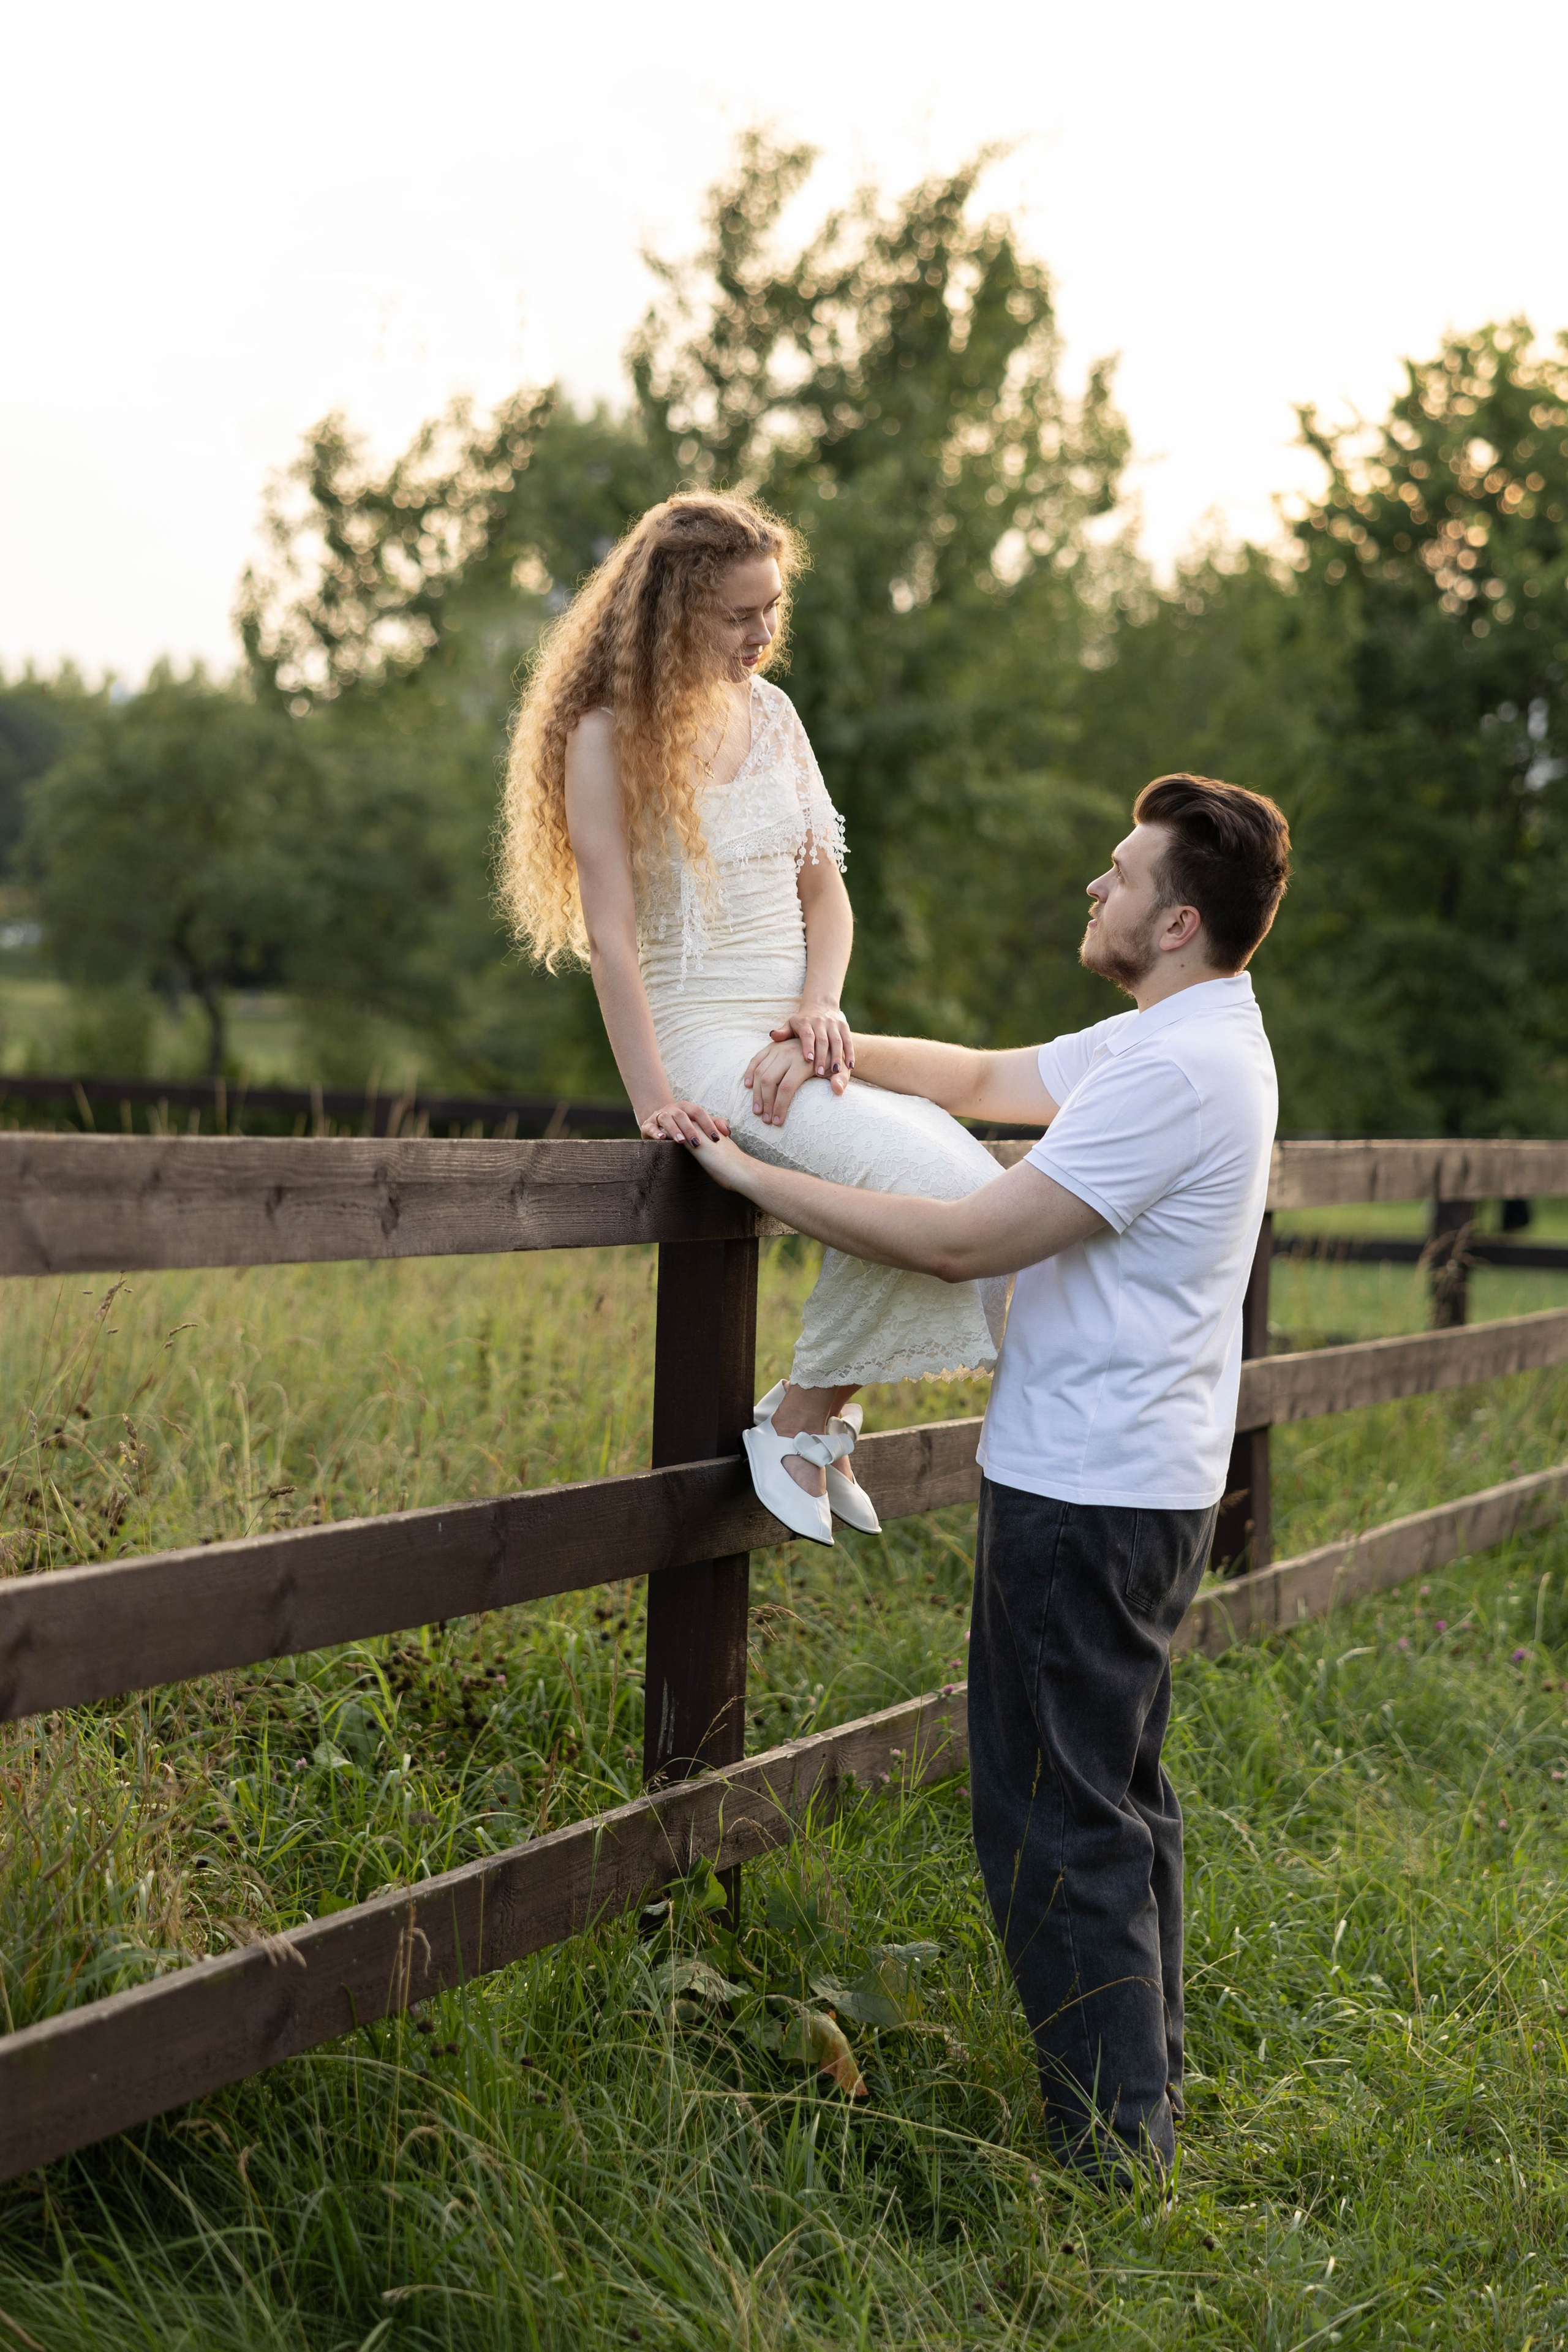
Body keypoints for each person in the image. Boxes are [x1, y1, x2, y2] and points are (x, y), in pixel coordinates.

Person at [687, 772, 1291, 2184]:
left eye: (1120, 875)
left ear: (1178, 918)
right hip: (1136, 1478)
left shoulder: (1173, 1068)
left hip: (1089, 1490)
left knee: (1052, 1815)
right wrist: (816, 1036)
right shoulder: (1185, 1031)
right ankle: (1144, 2089)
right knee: (1119, 1796)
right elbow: (968, 1080)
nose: (1096, 886)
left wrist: (749, 1179)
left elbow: (966, 1241)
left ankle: (1109, 2153)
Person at [499, 492, 1006, 1547]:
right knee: (930, 1187)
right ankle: (800, 1419)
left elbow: (828, 897)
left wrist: (822, 1007)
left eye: (772, 608)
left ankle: (818, 1413)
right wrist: (656, 1101)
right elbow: (612, 939)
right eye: (739, 615)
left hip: (802, 1034)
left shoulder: (776, 717)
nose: (762, 634)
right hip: (701, 1041)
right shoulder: (606, 737)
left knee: (986, 1194)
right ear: (677, 612)